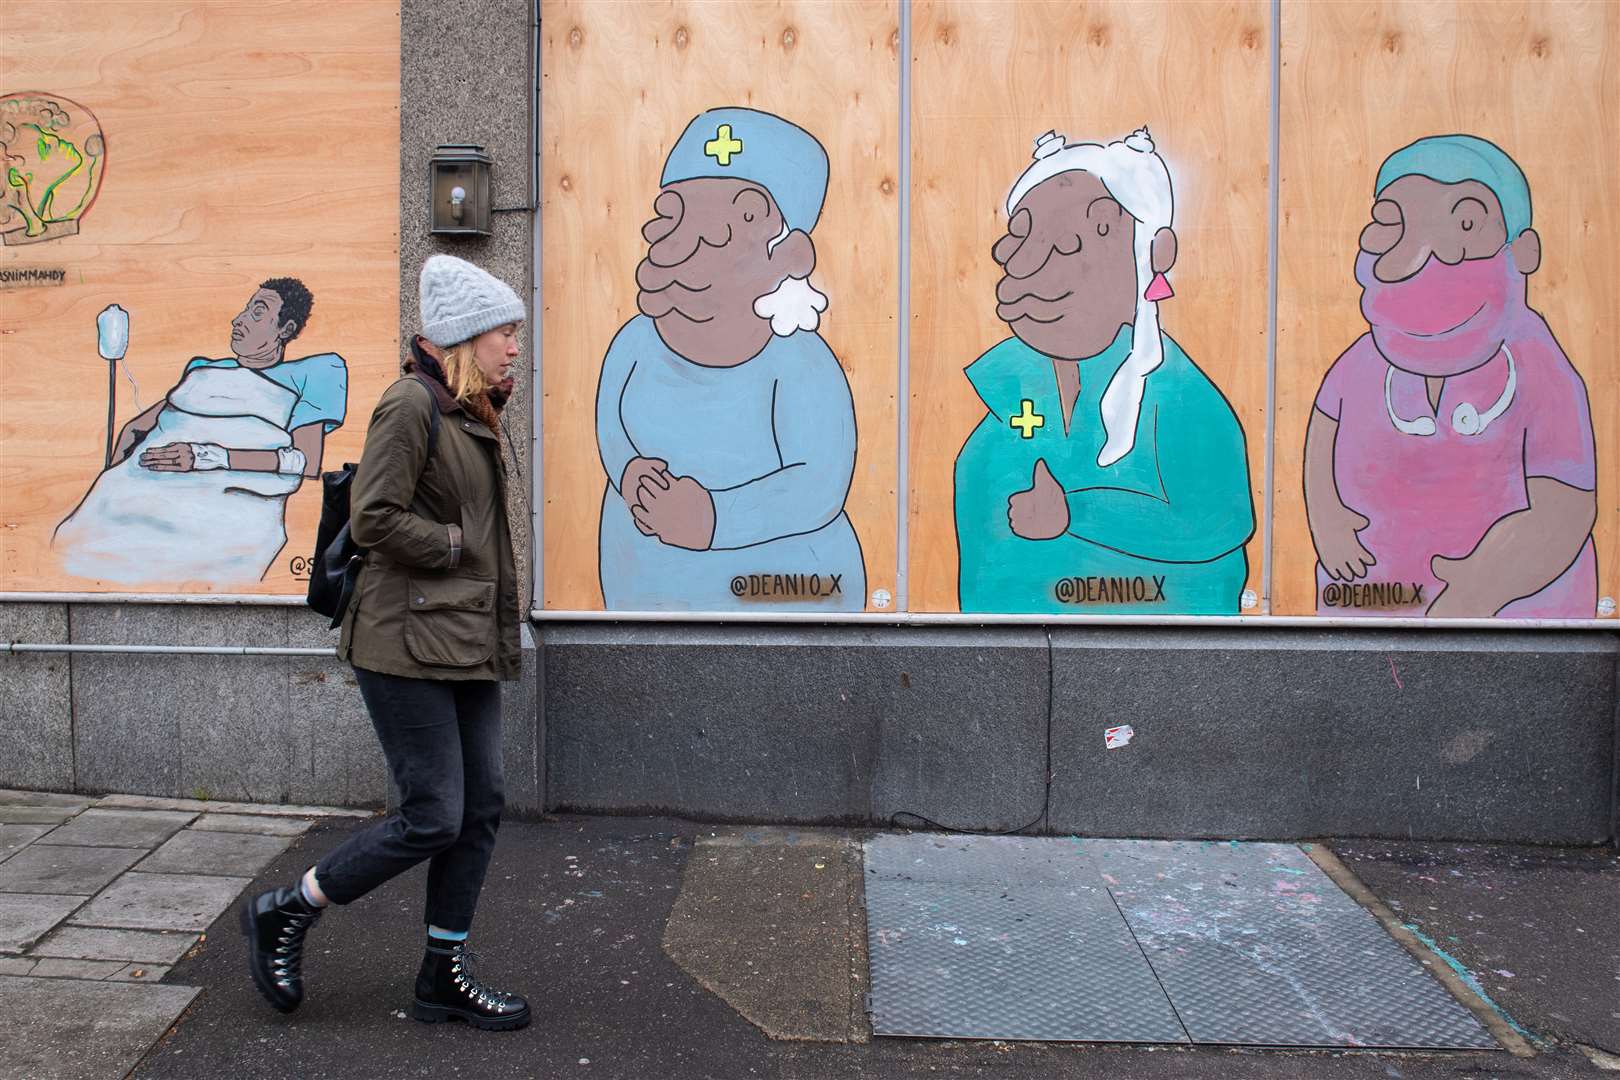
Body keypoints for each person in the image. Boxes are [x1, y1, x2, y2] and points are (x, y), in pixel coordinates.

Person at [241, 254, 529, 1030]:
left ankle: (443, 973)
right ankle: (287, 908)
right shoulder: (411, 403)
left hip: (461, 638)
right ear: (467, 338)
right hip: (402, 642)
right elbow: (373, 518)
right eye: (506, 333)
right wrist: (450, 543)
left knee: (482, 807)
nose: (514, 348)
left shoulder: (471, 411)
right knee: (434, 813)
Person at [954, 128, 1255, 614]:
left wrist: (1075, 514)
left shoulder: (1176, 393)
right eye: (1030, 237)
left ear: (1155, 254)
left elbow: (1218, 518)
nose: (1048, 266)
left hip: (1166, 637)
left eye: (1084, 238)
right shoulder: (1009, 395)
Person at [1304, 135, 1597, 617]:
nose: (1425, 259)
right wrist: (1327, 520)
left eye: (1464, 224)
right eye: (1394, 224)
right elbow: (1325, 423)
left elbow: (1565, 508)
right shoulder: (1366, 359)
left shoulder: (1539, 368)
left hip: (1515, 626)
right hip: (1371, 604)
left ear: (1522, 251)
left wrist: (1483, 586)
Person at [595, 107, 866, 611]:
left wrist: (714, 519)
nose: (695, 253)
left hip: (785, 591)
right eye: (683, 218)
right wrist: (628, 471)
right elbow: (611, 424)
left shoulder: (800, 361)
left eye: (737, 221)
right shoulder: (634, 344)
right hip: (646, 586)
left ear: (791, 255)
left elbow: (819, 483)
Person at [53, 278, 347, 584]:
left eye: (257, 312)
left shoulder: (315, 374)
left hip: (215, 528)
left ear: (285, 329)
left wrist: (206, 456)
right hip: (115, 506)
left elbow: (303, 462)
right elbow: (136, 428)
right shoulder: (201, 368)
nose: (239, 319)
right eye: (246, 309)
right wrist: (108, 481)